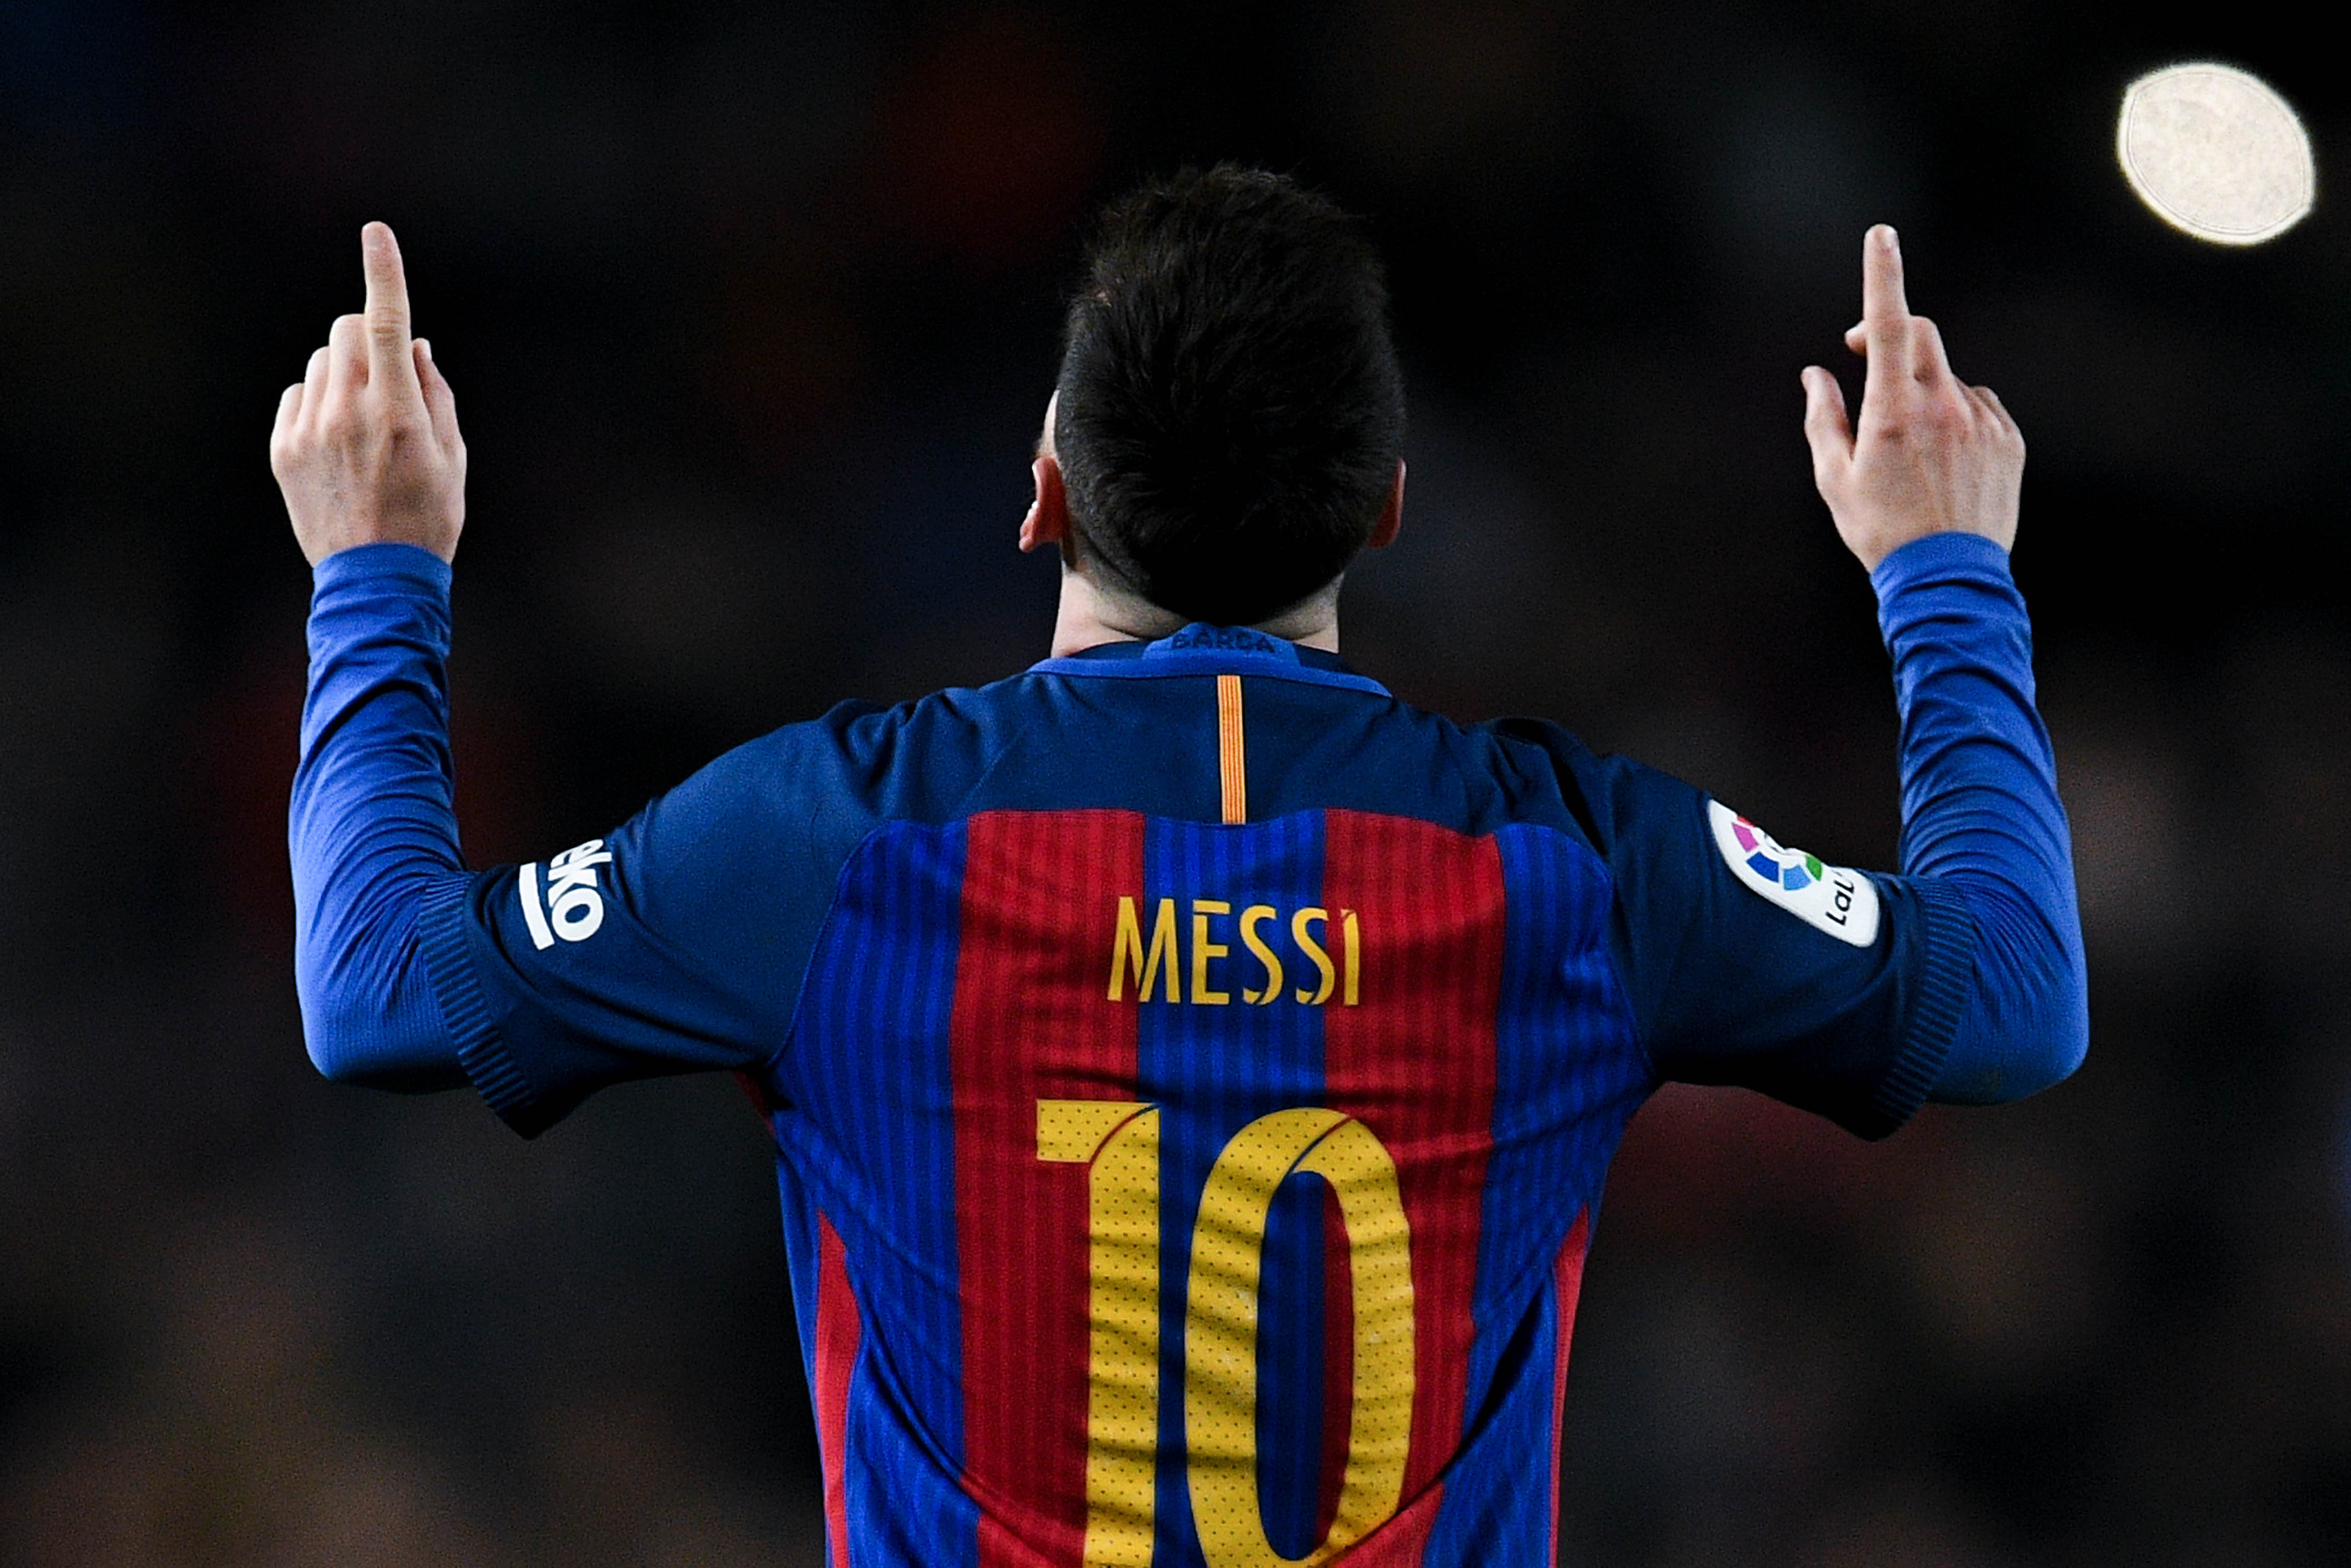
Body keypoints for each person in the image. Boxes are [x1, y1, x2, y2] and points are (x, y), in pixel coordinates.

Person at [275, 168, 2084, 1566]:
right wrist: (1940, 573)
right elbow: (2010, 999)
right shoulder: (1577, 873)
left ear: (1044, 487)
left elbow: (378, 995)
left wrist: (376, 570)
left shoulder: (836, 839)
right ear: (1386, 504)